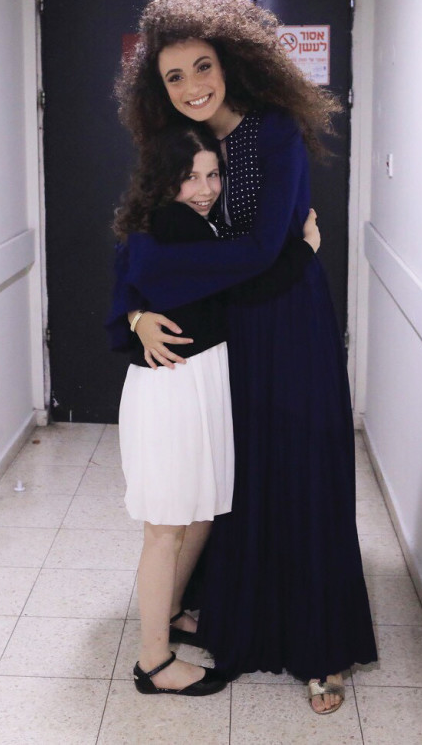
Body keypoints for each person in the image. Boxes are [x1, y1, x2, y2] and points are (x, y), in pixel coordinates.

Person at [108, 0, 377, 715]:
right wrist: (135, 309)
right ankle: (239, 617)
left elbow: (260, 250)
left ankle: (320, 648)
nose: (193, 86)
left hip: (287, 322)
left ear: (230, 62)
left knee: (301, 473)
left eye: (203, 66)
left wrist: (159, 279)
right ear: (158, 88)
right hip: (227, 334)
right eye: (174, 76)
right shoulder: (175, 144)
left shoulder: (275, 130)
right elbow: (136, 239)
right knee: (237, 482)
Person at [113, 121, 320, 697]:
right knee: (167, 527)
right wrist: (304, 249)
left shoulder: (188, 222)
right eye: (189, 177)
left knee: (199, 513)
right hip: (172, 390)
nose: (204, 189)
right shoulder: (170, 224)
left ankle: (171, 611)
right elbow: (245, 279)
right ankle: (153, 664)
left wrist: (136, 314)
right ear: (164, 181)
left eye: (212, 174)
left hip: (195, 382)